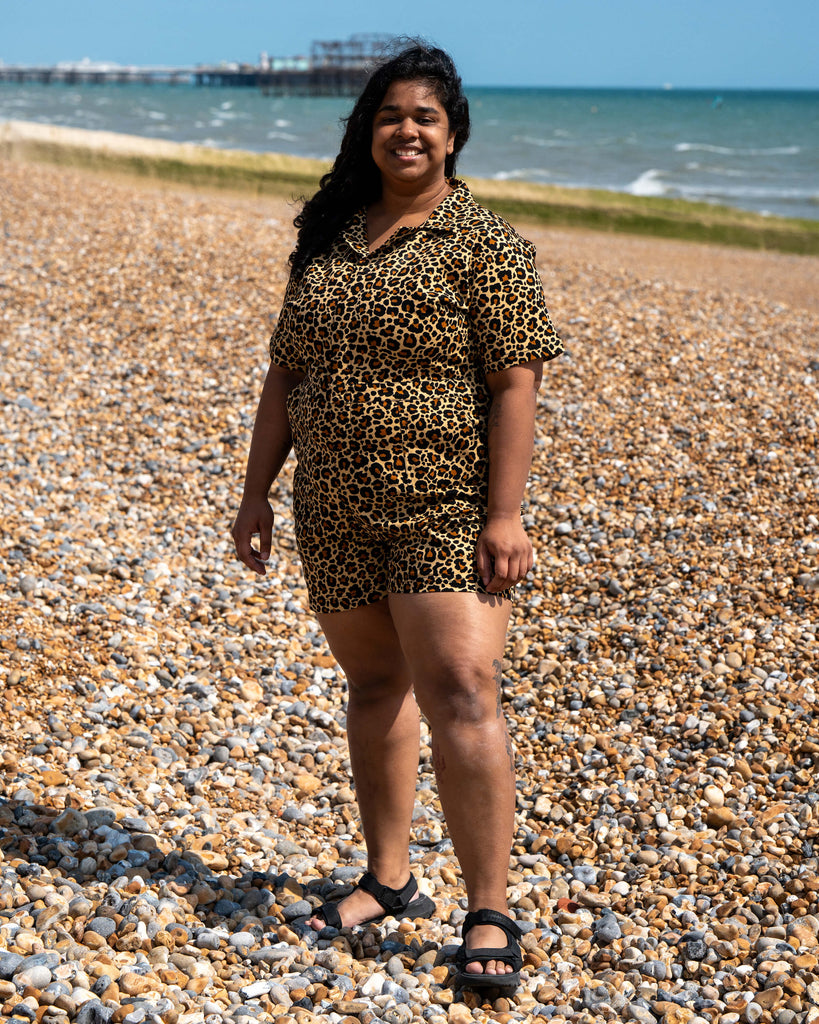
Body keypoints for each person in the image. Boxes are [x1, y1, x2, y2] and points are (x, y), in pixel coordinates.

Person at [232, 43, 563, 989]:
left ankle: (488, 909)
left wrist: (506, 515)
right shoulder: (329, 240)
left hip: (443, 508)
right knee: (376, 686)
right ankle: (389, 878)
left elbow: (514, 383)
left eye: (423, 117)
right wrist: (256, 492)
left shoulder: (483, 244)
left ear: (452, 134)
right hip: (332, 507)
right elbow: (284, 374)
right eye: (388, 116)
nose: (405, 130)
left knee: (460, 689)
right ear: (365, 132)